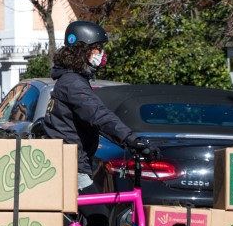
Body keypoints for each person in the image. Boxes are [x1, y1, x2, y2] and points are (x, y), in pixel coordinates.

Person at [41, 20, 155, 193]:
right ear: (83, 50)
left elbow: (94, 121)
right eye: (98, 48)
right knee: (98, 216)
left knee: (90, 215)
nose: (102, 54)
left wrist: (127, 143)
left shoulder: (72, 80)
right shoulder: (73, 84)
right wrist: (131, 139)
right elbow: (99, 115)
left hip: (71, 161)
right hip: (70, 165)